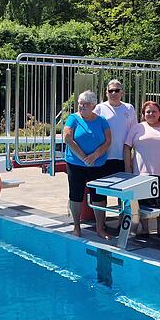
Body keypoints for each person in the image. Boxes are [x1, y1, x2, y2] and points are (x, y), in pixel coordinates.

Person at [123, 101, 160, 238]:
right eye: (148, 112)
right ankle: (145, 228)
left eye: (154, 111)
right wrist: (128, 167)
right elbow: (126, 147)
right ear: (143, 114)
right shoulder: (137, 128)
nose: (151, 114)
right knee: (142, 204)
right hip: (142, 173)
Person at [63, 90, 112, 238]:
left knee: (99, 196)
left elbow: (108, 141)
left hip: (97, 165)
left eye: (85, 104)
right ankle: (76, 227)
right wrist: (84, 157)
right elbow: (67, 137)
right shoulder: (73, 118)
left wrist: (95, 155)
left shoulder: (102, 120)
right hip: (76, 164)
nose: (82, 106)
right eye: (80, 104)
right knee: (76, 195)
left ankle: (100, 228)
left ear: (93, 105)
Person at [93, 79, 138, 178]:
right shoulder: (99, 108)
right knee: (101, 191)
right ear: (106, 93)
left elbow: (134, 133)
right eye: (110, 91)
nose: (113, 93)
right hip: (103, 158)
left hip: (123, 158)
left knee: (122, 191)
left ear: (122, 92)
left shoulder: (129, 108)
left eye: (117, 90)